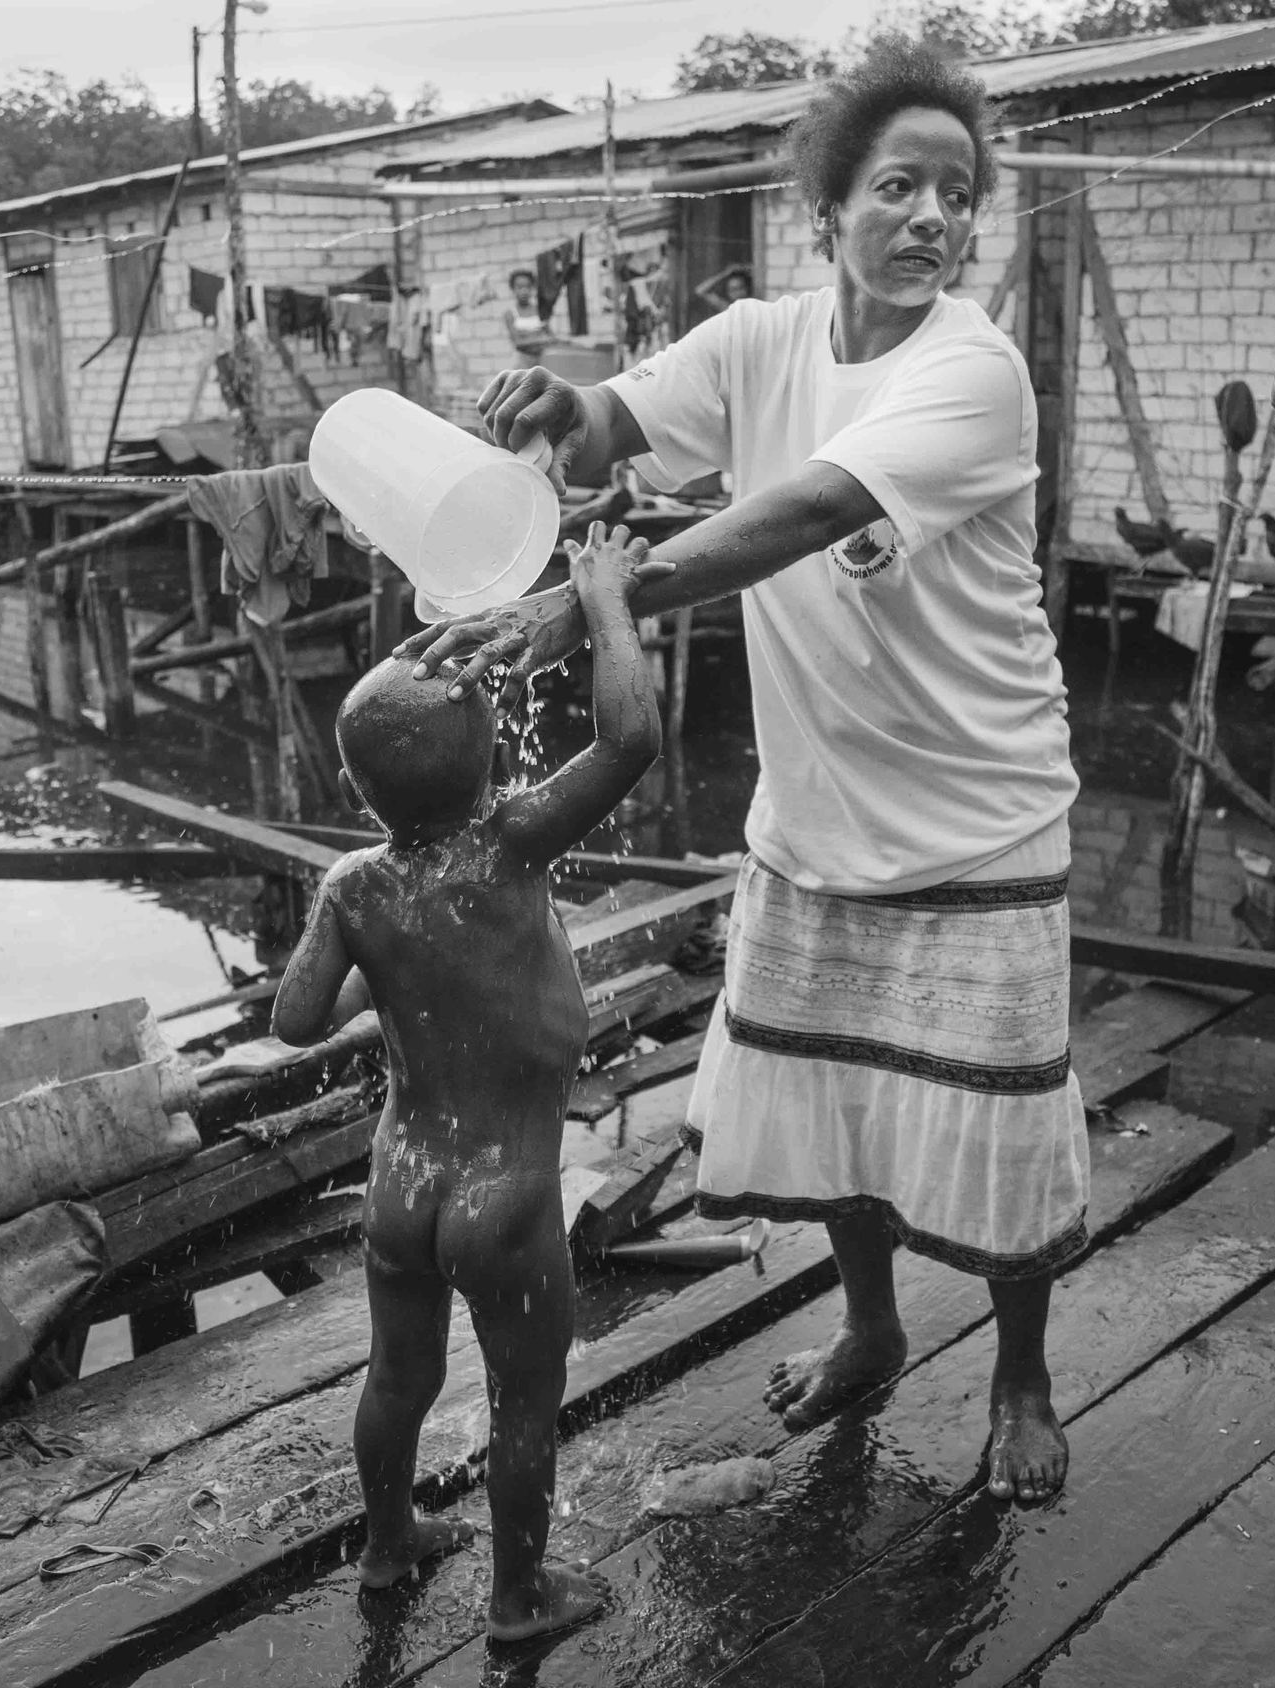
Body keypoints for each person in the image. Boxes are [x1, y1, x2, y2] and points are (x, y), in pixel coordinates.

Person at [399, 36, 1084, 1505]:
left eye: (956, 197)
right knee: (833, 1097)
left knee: (1005, 1113)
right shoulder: (759, 341)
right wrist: (550, 408)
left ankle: (1022, 1376)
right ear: (826, 204)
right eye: (897, 186)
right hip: (819, 813)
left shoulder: (977, 371)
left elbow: (798, 512)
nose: (930, 220)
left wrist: (587, 603)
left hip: (979, 811)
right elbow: (614, 424)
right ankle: (874, 1326)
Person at [272, 523, 666, 1638]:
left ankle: (389, 1549)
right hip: (504, 1192)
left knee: (398, 1374)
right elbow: (630, 734)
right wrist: (602, 603)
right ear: (487, 755)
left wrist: (379, 976)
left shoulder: (356, 883)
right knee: (522, 1401)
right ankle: (516, 1597)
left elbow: (295, 1016)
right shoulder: (509, 840)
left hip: (399, 1182)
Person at [504, 268, 551, 365]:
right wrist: (539, 338)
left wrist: (528, 337)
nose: (524, 291)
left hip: (542, 362)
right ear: (513, 289)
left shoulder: (540, 310)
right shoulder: (510, 314)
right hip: (522, 363)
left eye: (528, 287)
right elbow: (517, 342)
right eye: (520, 287)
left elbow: (550, 336)